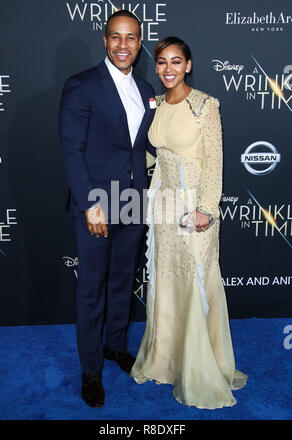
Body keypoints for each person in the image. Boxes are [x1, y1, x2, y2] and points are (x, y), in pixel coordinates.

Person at [130, 37, 247, 408]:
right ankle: (166, 361)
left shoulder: (205, 106)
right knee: (167, 280)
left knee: (196, 279)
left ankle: (199, 368)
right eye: (162, 62)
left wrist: (207, 209)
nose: (168, 69)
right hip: (164, 206)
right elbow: (157, 155)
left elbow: (215, 160)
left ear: (189, 65)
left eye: (176, 62)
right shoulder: (158, 105)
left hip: (194, 205)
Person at [59, 10, 156, 408]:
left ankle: (116, 347)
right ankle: (90, 370)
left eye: (131, 37)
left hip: (134, 201)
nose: (123, 45)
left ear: (139, 42)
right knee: (91, 290)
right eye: (115, 37)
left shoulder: (147, 87)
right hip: (98, 204)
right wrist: (91, 203)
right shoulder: (82, 85)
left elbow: (145, 148)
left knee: (121, 284)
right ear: (104, 40)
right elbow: (72, 149)